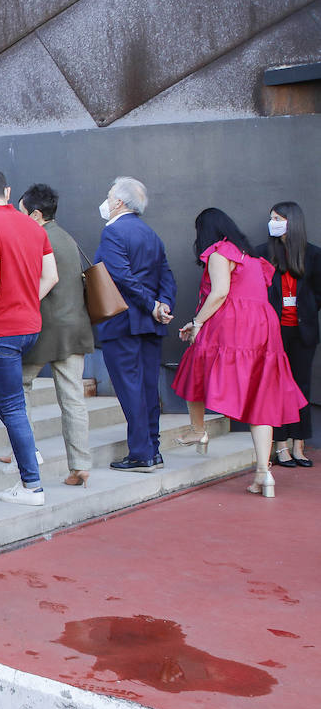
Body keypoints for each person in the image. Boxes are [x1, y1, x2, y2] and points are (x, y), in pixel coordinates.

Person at [171, 209, 307, 498]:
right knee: (261, 396)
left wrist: (196, 322)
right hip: (264, 325)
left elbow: (220, 292)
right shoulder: (252, 258)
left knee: (194, 364)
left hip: (233, 322)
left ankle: (198, 429)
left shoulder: (221, 251)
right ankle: (263, 473)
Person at [0, 168, 58, 506]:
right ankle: (28, 450)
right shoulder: (33, 226)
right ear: (7, 192)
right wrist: (24, 299)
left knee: (11, 403)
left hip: (1, 328)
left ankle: (32, 485)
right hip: (29, 326)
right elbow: (50, 276)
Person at [11, 183, 95, 486]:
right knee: (72, 398)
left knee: (18, 385)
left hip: (45, 329)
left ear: (35, 214)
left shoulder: (36, 238)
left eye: (21, 212)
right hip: (75, 328)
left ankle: (25, 449)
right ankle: (80, 464)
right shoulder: (67, 237)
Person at [93, 176, 176, 472]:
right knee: (148, 387)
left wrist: (152, 305)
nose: (105, 201)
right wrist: (163, 304)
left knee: (130, 388)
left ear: (118, 202)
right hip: (151, 324)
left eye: (109, 195)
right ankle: (152, 449)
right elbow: (166, 274)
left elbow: (121, 276)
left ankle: (141, 453)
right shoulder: (150, 233)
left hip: (124, 323)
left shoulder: (113, 232)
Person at [259, 201, 319, 467]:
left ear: (292, 221)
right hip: (274, 333)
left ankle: (299, 444)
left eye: (278, 218)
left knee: (301, 387)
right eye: (271, 218)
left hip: (303, 332)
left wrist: (306, 307)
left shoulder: (313, 255)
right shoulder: (263, 254)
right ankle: (280, 444)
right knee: (276, 386)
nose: (273, 222)